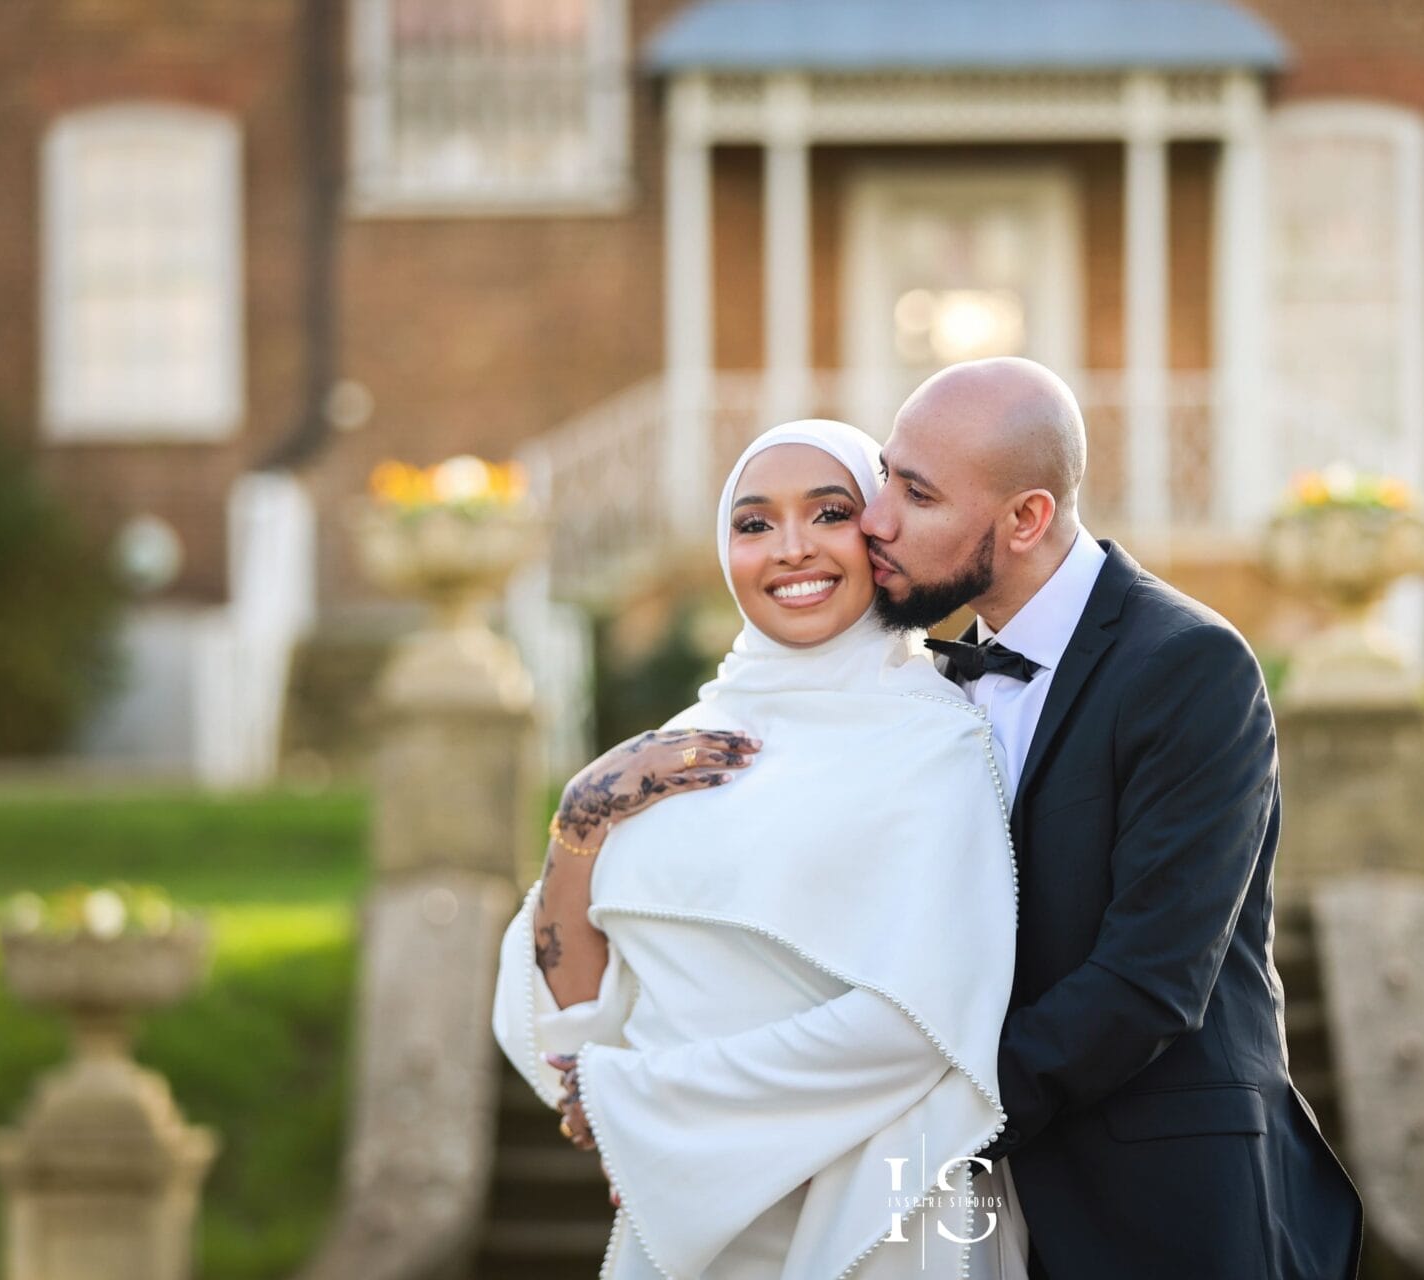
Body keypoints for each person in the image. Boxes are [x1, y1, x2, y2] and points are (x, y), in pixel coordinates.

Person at [859, 357, 1366, 1279]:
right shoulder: (923, 689)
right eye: (886, 475)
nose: (875, 519)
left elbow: (1150, 980)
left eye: (918, 495)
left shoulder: (1190, 668)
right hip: (985, 1224)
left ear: (1027, 519)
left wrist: (927, 1124)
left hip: (1165, 1210)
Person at [490, 419, 1030, 1279]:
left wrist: (647, 1107)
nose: (789, 550)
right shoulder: (677, 747)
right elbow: (575, 1022)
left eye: (827, 514)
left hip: (867, 1208)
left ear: (881, 532)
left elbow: (926, 1022)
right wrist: (582, 822)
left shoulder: (939, 744)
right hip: (687, 1222)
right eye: (753, 524)